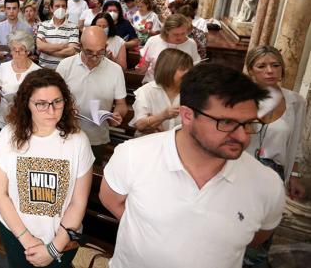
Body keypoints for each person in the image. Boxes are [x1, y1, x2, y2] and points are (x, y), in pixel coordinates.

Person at [99, 64, 285, 268]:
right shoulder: (134, 155)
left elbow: (255, 236)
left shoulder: (267, 184)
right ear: (187, 115)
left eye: (248, 123)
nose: (242, 137)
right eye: (225, 123)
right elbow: (111, 200)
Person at [0, 68, 93, 267]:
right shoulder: (8, 136)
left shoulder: (78, 141)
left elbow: (78, 202)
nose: (51, 110)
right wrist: (27, 240)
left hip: (61, 237)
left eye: (57, 102)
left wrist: (53, 248)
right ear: (26, 104)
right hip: (16, 233)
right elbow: (0, 193)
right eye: (41, 104)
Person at [56, 27, 127, 163]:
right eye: (89, 52)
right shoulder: (65, 66)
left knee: (92, 175)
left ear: (106, 47)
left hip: (97, 137)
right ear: (80, 46)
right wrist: (65, 106)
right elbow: (53, 99)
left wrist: (117, 115)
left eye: (100, 52)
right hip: (67, 133)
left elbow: (121, 104)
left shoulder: (115, 70)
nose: (95, 58)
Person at [244, 46, 305, 196]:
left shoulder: (296, 102)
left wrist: (294, 176)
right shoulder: (240, 98)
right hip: (241, 169)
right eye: (261, 66)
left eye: (275, 65)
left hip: (273, 175)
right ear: (251, 70)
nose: (270, 71)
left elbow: (297, 143)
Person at [130, 49, 193, 136]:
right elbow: (140, 125)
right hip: (149, 144)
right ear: (167, 69)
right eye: (182, 69)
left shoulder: (192, 92)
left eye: (189, 69)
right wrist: (163, 116)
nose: (187, 73)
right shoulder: (146, 91)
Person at [0, 30, 41, 129]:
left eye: (21, 49)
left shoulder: (37, 72)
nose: (16, 53)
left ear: (28, 51)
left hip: (25, 119)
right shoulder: (4, 67)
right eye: (13, 49)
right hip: (4, 117)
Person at [140, 14, 201, 83]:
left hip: (180, 84)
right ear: (166, 30)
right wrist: (141, 67)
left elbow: (195, 65)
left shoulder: (191, 43)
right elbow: (144, 63)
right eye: (176, 34)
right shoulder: (153, 41)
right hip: (154, 81)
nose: (180, 37)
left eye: (183, 33)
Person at [36, 0, 80, 69]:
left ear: (66, 8)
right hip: (44, 69)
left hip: (64, 70)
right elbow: (40, 46)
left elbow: (71, 51)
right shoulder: (43, 25)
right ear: (51, 8)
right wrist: (63, 46)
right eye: (57, 6)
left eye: (63, 6)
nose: (61, 9)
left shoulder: (73, 27)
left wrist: (47, 49)